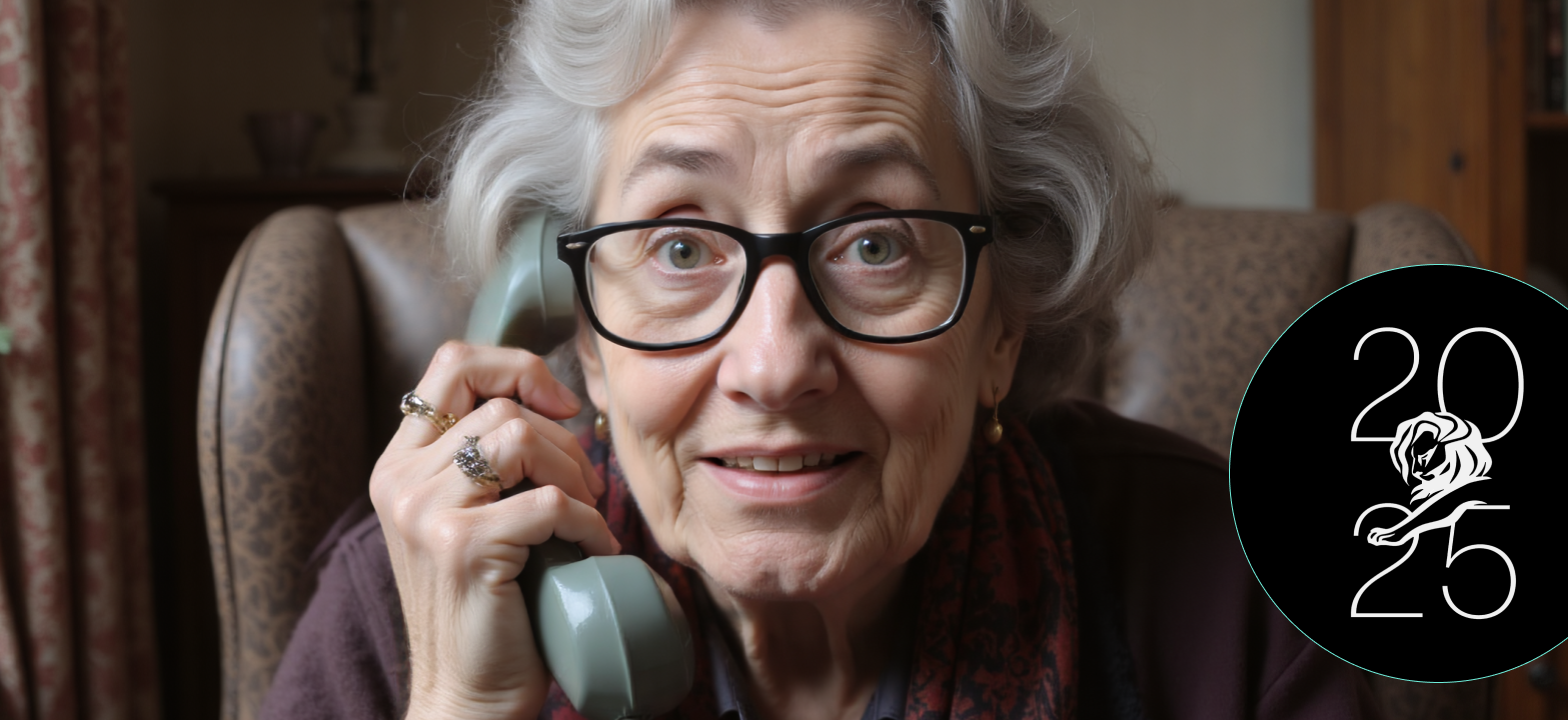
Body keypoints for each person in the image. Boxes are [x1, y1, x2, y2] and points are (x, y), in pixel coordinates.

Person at [264, 1, 1375, 718]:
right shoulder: (407, 608)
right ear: (582, 333)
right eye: (680, 246)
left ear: (1002, 326)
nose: (773, 364)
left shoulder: (1229, 600)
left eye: (875, 244)